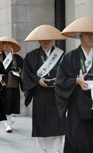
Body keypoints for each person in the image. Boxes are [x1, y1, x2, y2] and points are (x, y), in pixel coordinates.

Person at [55, 17, 93, 153]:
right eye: (87, 34)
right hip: (78, 107)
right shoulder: (69, 57)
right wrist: (76, 81)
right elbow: (60, 81)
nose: (91, 37)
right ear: (79, 36)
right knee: (78, 142)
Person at [23, 25, 66, 153]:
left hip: (57, 94)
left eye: (49, 38)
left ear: (53, 39)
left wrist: (57, 80)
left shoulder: (62, 55)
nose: (46, 41)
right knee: (42, 122)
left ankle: (57, 149)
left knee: (57, 121)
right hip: (40, 94)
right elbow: (26, 74)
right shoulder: (31, 56)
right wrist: (37, 80)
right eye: (43, 39)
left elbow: (67, 72)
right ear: (38, 40)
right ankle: (44, 149)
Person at [0, 36, 24, 133]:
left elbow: (23, 70)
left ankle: (9, 122)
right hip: (1, 85)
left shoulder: (17, 58)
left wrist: (19, 71)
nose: (7, 46)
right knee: (3, 104)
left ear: (12, 46)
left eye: (9, 44)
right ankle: (7, 121)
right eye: (5, 44)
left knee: (11, 104)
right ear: (2, 46)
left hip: (13, 84)